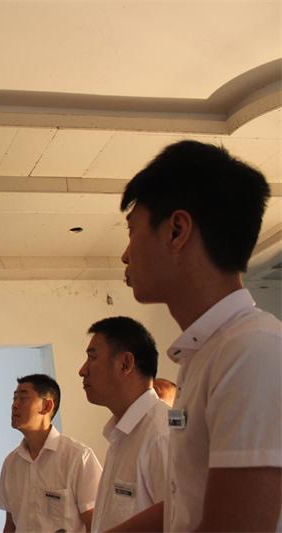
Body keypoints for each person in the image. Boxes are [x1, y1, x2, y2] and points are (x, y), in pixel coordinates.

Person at [115, 140, 281, 531]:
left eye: (132, 230)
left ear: (177, 231)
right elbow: (185, 502)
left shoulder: (250, 351)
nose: (125, 255)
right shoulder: (206, 353)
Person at [79, 316, 168, 532]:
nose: (82, 370)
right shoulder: (122, 434)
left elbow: (182, 521)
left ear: (125, 364)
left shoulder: (162, 433)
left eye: (92, 357)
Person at [0, 374, 102, 532]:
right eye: (14, 398)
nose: (14, 405)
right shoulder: (11, 463)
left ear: (46, 406)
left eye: (23, 398)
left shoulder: (78, 457)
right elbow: (11, 525)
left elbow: (96, 524)